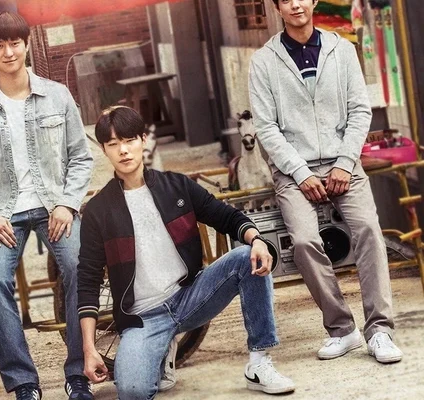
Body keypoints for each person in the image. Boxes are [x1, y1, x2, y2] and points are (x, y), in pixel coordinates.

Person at [78, 106, 296, 399]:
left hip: (190, 297)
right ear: (105, 150)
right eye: (113, 144)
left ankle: (259, 362)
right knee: (131, 392)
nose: (123, 151)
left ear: (143, 140)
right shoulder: (98, 210)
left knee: (247, 256)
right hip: (143, 317)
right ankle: (161, 348)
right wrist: (89, 349)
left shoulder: (177, 186)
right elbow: (88, 280)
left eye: (129, 140)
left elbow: (226, 216)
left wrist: (256, 239)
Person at [249, 0, 402, 363]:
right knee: (304, 242)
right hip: (293, 170)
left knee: (369, 231)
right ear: (278, 8)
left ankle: (380, 330)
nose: (296, 4)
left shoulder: (342, 50)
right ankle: (342, 329)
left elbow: (360, 110)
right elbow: (266, 128)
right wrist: (300, 173)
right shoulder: (263, 61)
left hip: (342, 163)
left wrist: (346, 162)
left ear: (314, 0)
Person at [0, 11, 94, 400]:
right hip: (2, 213)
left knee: (79, 267)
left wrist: (67, 204)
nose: (8, 52)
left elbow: (81, 158)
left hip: (54, 208)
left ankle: (78, 373)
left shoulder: (57, 95)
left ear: (27, 44)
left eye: (15, 43)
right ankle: (23, 383)